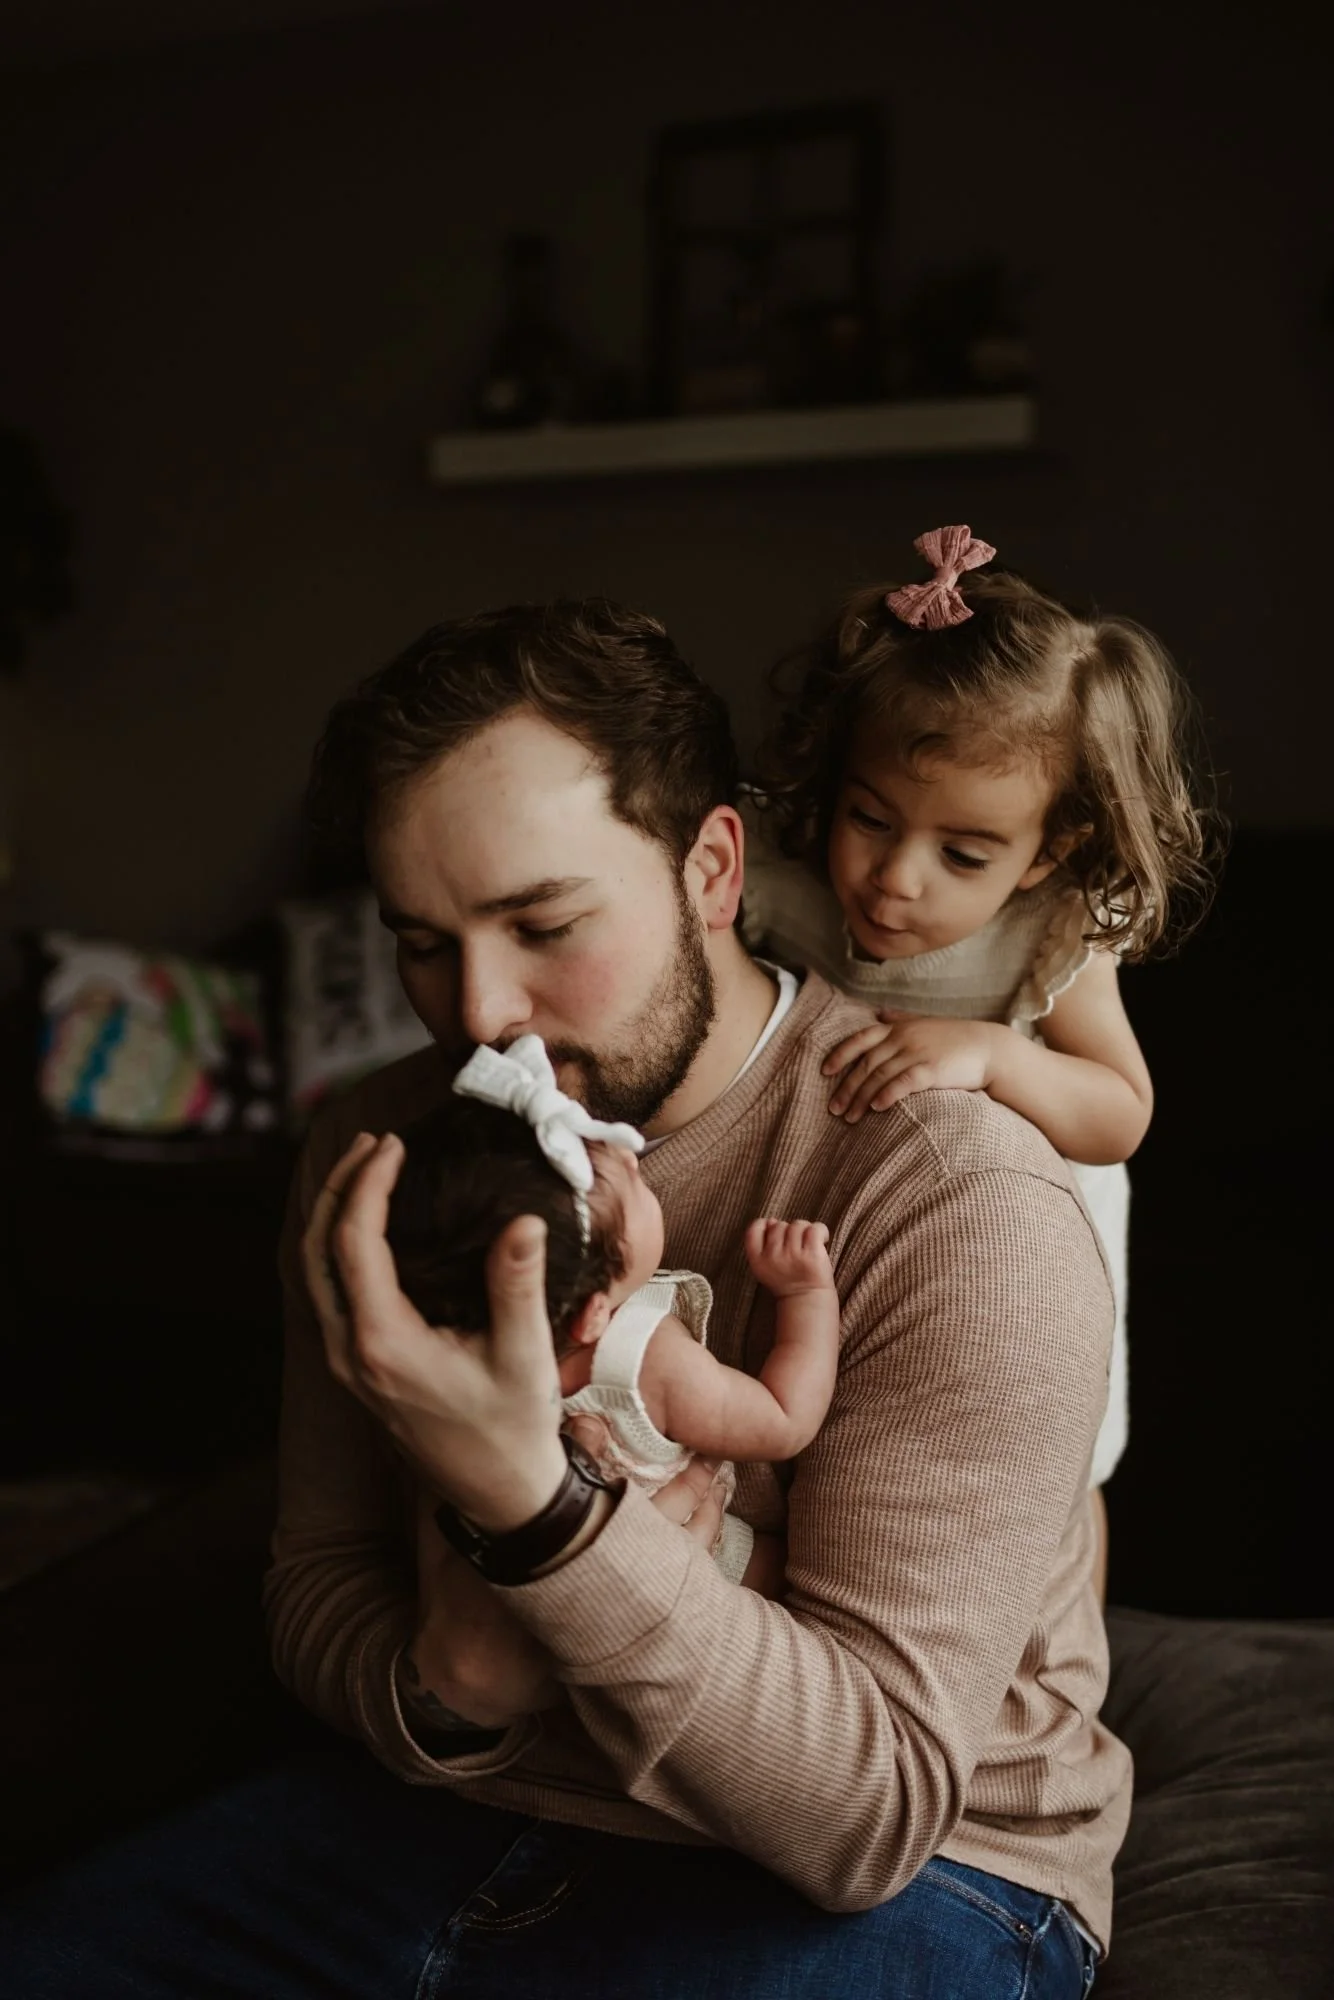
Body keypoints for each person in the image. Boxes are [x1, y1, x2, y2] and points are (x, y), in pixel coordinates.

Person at [0, 598, 1123, 1998]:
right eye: (421, 941)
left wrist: (540, 1525)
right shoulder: (380, 1148)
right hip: (449, 1814)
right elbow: (318, 1581)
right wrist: (445, 1691)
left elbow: (869, 1814)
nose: (477, 1014)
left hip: (915, 1877)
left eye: (542, 924)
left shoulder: (955, 1197)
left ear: (711, 869)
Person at [745, 527, 1215, 1588]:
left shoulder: (1050, 928)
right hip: (835, 1223)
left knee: (1054, 1485)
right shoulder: (783, 885)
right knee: (857, 1465)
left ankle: (1063, 1679)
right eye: (869, 817)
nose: (896, 878)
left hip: (1020, 1260)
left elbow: (1119, 1110)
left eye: (963, 853)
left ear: (1043, 851)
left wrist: (997, 1053)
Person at [384, 1032, 838, 1597]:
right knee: (789, 1582)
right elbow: (783, 1420)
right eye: (635, 1185)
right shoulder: (646, 1361)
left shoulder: (450, 1382)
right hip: (694, 1575)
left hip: (524, 1590)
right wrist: (804, 1297)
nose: (632, 1154)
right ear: (593, 1315)